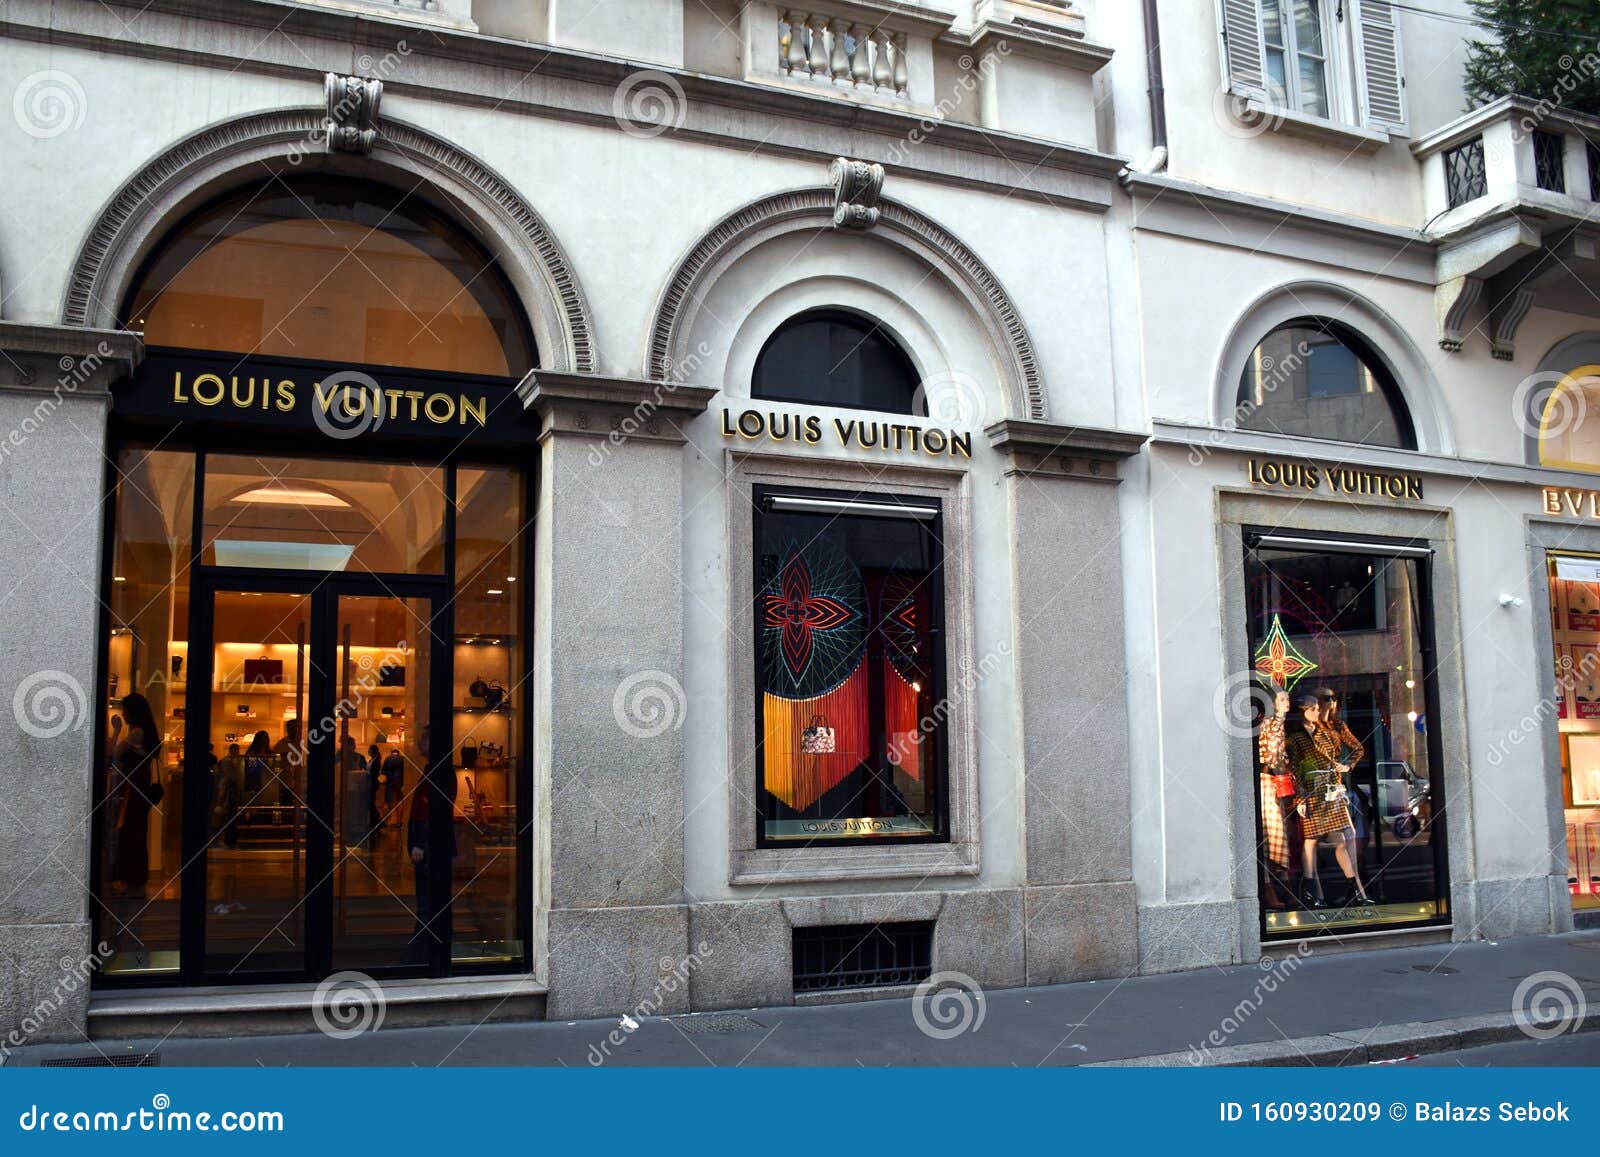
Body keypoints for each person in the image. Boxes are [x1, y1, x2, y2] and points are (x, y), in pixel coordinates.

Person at [1286, 693, 1371, 908]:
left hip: (1331, 789)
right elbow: (1294, 768)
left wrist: (1344, 768)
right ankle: (1312, 891)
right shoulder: (1295, 738)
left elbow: (1342, 754)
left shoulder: (1325, 732)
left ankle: (1355, 888)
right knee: (1311, 839)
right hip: (1310, 790)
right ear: (1303, 710)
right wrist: (1300, 798)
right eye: (1313, 708)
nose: (1317, 711)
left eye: (1318, 707)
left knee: (1345, 836)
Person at [108, 693, 163, 895]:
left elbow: (113, 754)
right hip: (140, 788)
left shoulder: (136, 733)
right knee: (136, 832)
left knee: (130, 832)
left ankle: (129, 877)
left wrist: (116, 731)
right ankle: (135, 878)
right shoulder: (144, 732)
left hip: (133, 790)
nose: (123, 713)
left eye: (126, 709)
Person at [1256, 686, 1298, 910]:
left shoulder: (1278, 725)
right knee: (1272, 836)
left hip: (1274, 783)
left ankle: (1279, 886)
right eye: (1282, 698)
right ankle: (1269, 888)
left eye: (1287, 698)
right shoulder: (1271, 723)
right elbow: (1272, 757)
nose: (1286, 701)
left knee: (1277, 837)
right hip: (1268, 782)